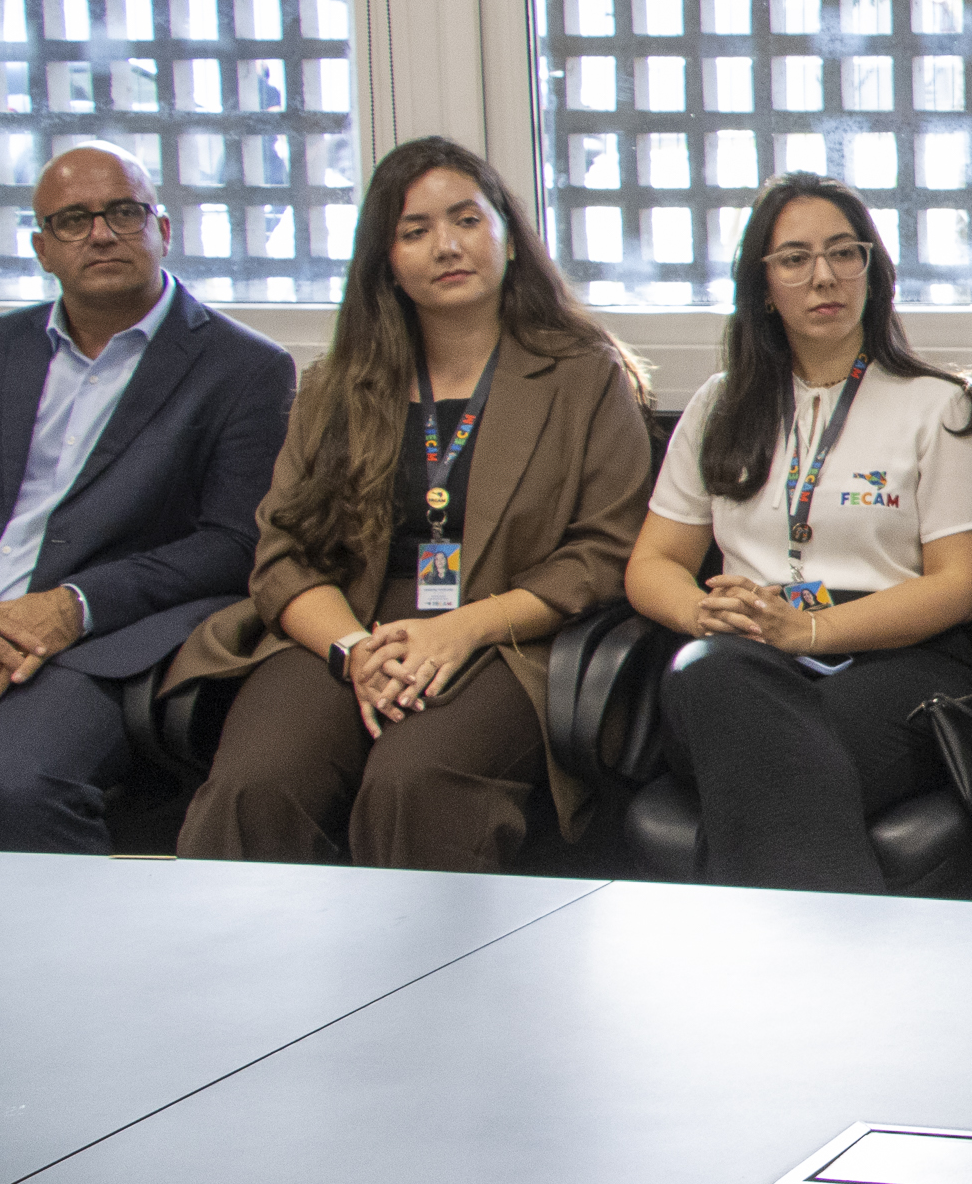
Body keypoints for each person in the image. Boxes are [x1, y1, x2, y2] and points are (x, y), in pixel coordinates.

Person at [171, 140, 654, 872]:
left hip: (506, 628)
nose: (447, 245)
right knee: (257, 782)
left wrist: (459, 630)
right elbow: (283, 553)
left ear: (509, 238)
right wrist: (354, 650)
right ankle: (240, 983)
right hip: (349, 623)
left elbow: (605, 551)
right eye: (415, 230)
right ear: (385, 261)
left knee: (414, 781)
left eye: (466, 219)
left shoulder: (584, 376)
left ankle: (424, 986)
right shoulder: (337, 384)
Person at [629, 173, 972, 893]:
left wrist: (812, 630)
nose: (823, 275)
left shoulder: (942, 406)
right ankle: (840, 973)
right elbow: (652, 562)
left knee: (758, 760)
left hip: (894, 659)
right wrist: (697, 611)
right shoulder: (720, 403)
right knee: (710, 672)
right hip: (742, 651)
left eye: (843, 253)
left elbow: (959, 587)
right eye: (794, 258)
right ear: (763, 284)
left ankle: (768, 975)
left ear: (873, 269)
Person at [0, 144, 292, 850]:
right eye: (72, 220)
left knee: (20, 785)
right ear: (41, 248)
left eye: (123, 212)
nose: (101, 233)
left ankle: (66, 966)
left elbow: (232, 544)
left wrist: (74, 605)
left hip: (94, 646)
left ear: (162, 228)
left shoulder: (245, 369)